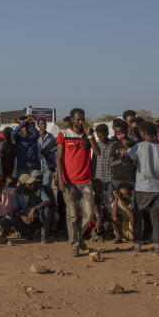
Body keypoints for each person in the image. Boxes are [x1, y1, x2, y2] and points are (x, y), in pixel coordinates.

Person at [55, 108, 100, 257]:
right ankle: (75, 245)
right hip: (69, 182)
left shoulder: (88, 135)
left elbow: (98, 152)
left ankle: (77, 238)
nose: (80, 122)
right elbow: (59, 158)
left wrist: (90, 135)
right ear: (72, 120)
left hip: (86, 181)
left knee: (88, 214)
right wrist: (60, 179)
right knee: (72, 215)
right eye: (77, 119)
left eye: (82, 119)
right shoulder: (64, 134)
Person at [126, 121, 159, 253]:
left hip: (142, 187)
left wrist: (130, 161)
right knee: (156, 218)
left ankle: (137, 246)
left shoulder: (138, 147)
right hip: (157, 187)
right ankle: (157, 247)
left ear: (143, 133)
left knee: (138, 217)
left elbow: (127, 159)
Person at [108, 118, 136, 243]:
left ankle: (135, 235)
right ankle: (118, 234)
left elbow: (137, 163)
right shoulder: (115, 145)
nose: (117, 134)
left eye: (119, 132)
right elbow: (111, 163)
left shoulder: (134, 144)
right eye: (115, 132)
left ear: (125, 130)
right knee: (116, 208)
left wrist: (129, 160)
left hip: (131, 180)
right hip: (117, 180)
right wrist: (122, 160)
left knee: (132, 209)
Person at [12, 172, 57, 242]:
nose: (32, 185)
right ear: (23, 185)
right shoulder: (16, 193)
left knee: (47, 210)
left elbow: (48, 201)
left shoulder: (38, 189)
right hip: (26, 218)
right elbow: (14, 209)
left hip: (38, 216)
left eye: (32, 183)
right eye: (29, 184)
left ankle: (43, 234)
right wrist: (22, 217)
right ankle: (29, 233)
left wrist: (35, 208)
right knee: (14, 219)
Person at [91, 123, 115, 239]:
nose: (102, 138)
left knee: (109, 205)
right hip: (98, 180)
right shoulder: (96, 145)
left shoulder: (113, 145)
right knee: (97, 204)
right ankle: (100, 229)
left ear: (107, 133)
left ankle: (111, 229)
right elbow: (93, 162)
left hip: (110, 180)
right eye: (99, 136)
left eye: (103, 135)